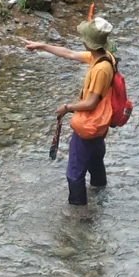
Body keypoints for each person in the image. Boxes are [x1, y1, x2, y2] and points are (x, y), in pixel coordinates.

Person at [26, 18, 116, 206]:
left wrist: (67, 108)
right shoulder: (103, 56)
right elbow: (69, 54)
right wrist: (41, 45)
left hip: (90, 126)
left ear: (88, 42)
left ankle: (79, 216)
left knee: (74, 174)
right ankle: (100, 194)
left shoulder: (101, 69)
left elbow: (91, 103)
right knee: (95, 161)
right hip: (99, 128)